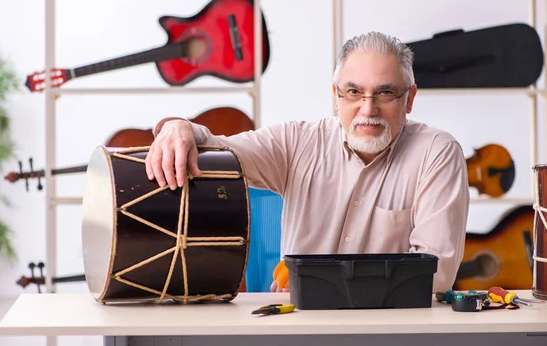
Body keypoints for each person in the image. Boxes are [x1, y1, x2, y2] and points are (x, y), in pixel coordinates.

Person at [145, 31, 470, 294]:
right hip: (298, 328)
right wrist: (180, 127)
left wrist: (318, 286)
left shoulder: (437, 153)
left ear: (409, 99)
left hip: (392, 334)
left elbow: (434, 273)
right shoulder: (296, 142)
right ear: (336, 94)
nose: (367, 109)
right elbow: (218, 151)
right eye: (354, 92)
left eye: (385, 94)